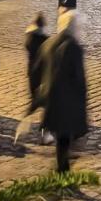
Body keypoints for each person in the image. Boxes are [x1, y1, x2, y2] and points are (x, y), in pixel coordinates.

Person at [37, 10, 88, 173]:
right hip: (68, 101)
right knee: (65, 137)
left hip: (52, 99)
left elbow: (37, 69)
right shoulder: (74, 47)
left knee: (61, 137)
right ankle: (61, 170)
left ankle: (62, 167)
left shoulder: (49, 42)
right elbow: (79, 79)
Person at [14, 13, 52, 144]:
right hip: (43, 77)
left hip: (32, 76)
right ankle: (45, 133)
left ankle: (25, 123)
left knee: (35, 102)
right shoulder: (45, 40)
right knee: (46, 106)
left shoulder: (29, 39)